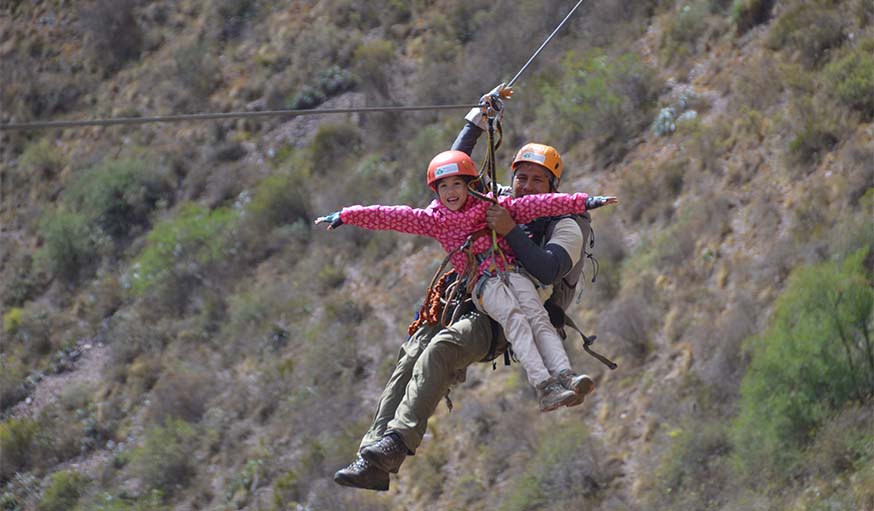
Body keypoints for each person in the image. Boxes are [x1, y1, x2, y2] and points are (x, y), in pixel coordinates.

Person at [327, 94, 608, 492]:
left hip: (509, 319)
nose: (525, 186)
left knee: (441, 350)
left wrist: (510, 229)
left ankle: (397, 442)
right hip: (473, 296)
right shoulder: (498, 199)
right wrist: (477, 120)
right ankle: (372, 456)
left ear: (552, 185)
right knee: (413, 353)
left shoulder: (567, 221)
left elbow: (549, 268)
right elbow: (452, 177)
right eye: (521, 177)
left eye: (537, 179)